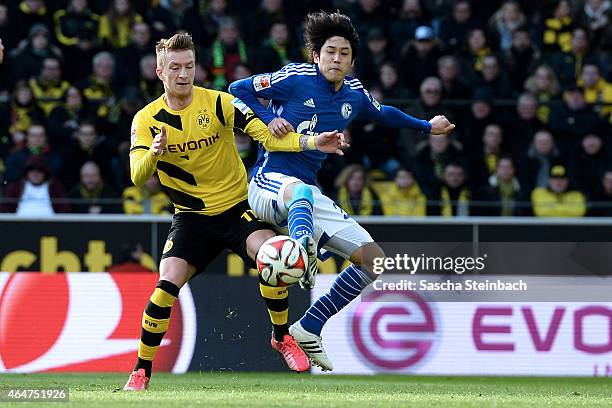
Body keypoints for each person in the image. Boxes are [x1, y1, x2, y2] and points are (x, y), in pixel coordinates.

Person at [229, 11, 454, 371]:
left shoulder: (355, 94)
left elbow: (387, 114)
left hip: (305, 194)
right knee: (300, 192)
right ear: (316, 55)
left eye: (344, 53)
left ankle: (309, 327)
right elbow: (237, 90)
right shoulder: (294, 77)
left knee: (373, 260)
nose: (337, 58)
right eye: (330, 51)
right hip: (267, 181)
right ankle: (302, 251)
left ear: (351, 60)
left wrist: (427, 125)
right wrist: (269, 119)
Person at [123, 33, 346, 391]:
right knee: (163, 289)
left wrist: (310, 141)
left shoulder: (219, 104)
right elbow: (137, 176)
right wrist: (155, 151)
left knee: (276, 255)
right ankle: (141, 371)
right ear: (160, 72)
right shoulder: (146, 120)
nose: (184, 74)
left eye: (190, 66)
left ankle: (281, 336)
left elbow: (269, 137)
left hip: (235, 209)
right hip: (191, 219)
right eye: (175, 68)